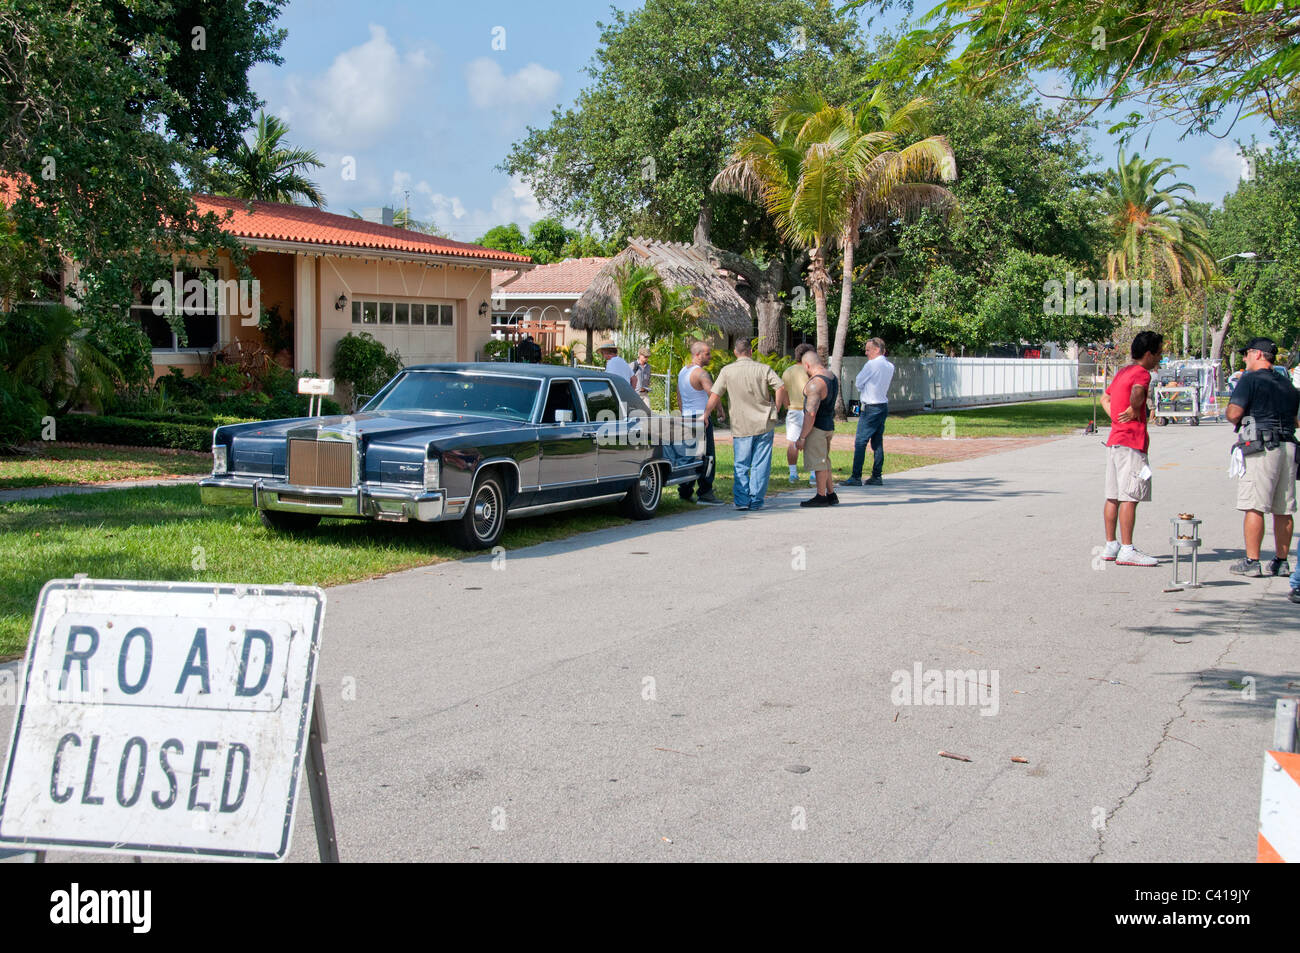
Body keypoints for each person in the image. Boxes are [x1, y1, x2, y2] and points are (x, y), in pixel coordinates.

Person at [1225, 337, 1299, 577]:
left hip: (1261, 447)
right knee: (1283, 508)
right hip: (1288, 446)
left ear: (1257, 354)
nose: (1244, 359)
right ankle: (1281, 561)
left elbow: (1234, 413)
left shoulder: (1249, 380)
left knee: (1254, 505)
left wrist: (1234, 412)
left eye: (1246, 354)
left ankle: (1252, 561)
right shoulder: (1288, 385)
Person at [1100, 331, 1163, 567]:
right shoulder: (1141, 373)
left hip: (1115, 440)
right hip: (1132, 444)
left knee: (1112, 495)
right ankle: (1127, 549)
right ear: (1148, 354)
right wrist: (1136, 409)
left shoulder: (1123, 371)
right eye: (1158, 353)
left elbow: (1104, 400)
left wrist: (1117, 418)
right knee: (1130, 496)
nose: (1159, 357)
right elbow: (1138, 391)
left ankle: (1111, 544)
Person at [705, 339, 786, 511]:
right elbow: (780, 387)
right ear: (750, 352)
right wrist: (776, 408)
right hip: (764, 423)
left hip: (741, 425)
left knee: (741, 464)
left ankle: (742, 501)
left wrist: (706, 414)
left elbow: (715, 394)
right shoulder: (763, 369)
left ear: (735, 352)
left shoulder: (727, 371)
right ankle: (756, 500)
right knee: (760, 464)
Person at [676, 340, 722, 505]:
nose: (709, 356)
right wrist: (718, 411)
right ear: (697, 354)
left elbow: (679, 395)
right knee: (708, 457)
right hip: (701, 418)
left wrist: (684, 414)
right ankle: (705, 492)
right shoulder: (701, 373)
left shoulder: (683, 372)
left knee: (689, 456)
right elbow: (713, 394)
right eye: (707, 353)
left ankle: (685, 491)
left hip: (687, 417)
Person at [843, 338, 894, 486]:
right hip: (882, 405)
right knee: (877, 442)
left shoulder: (872, 364)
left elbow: (859, 381)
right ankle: (877, 475)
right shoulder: (889, 366)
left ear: (877, 349)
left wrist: (863, 388)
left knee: (860, 441)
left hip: (870, 405)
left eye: (868, 350)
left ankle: (856, 476)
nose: (866, 353)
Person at [793, 343, 839, 507]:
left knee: (819, 463)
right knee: (825, 461)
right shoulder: (832, 376)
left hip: (817, 428)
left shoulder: (815, 384)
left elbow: (811, 413)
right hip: (829, 425)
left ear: (807, 365)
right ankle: (831, 494)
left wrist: (802, 437)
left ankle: (821, 496)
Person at [781, 354, 812, 485]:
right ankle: (813, 474)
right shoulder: (810, 370)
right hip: (809, 410)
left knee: (792, 442)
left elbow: (783, 391)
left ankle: (793, 474)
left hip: (793, 409)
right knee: (811, 442)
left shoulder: (788, 371)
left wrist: (787, 405)